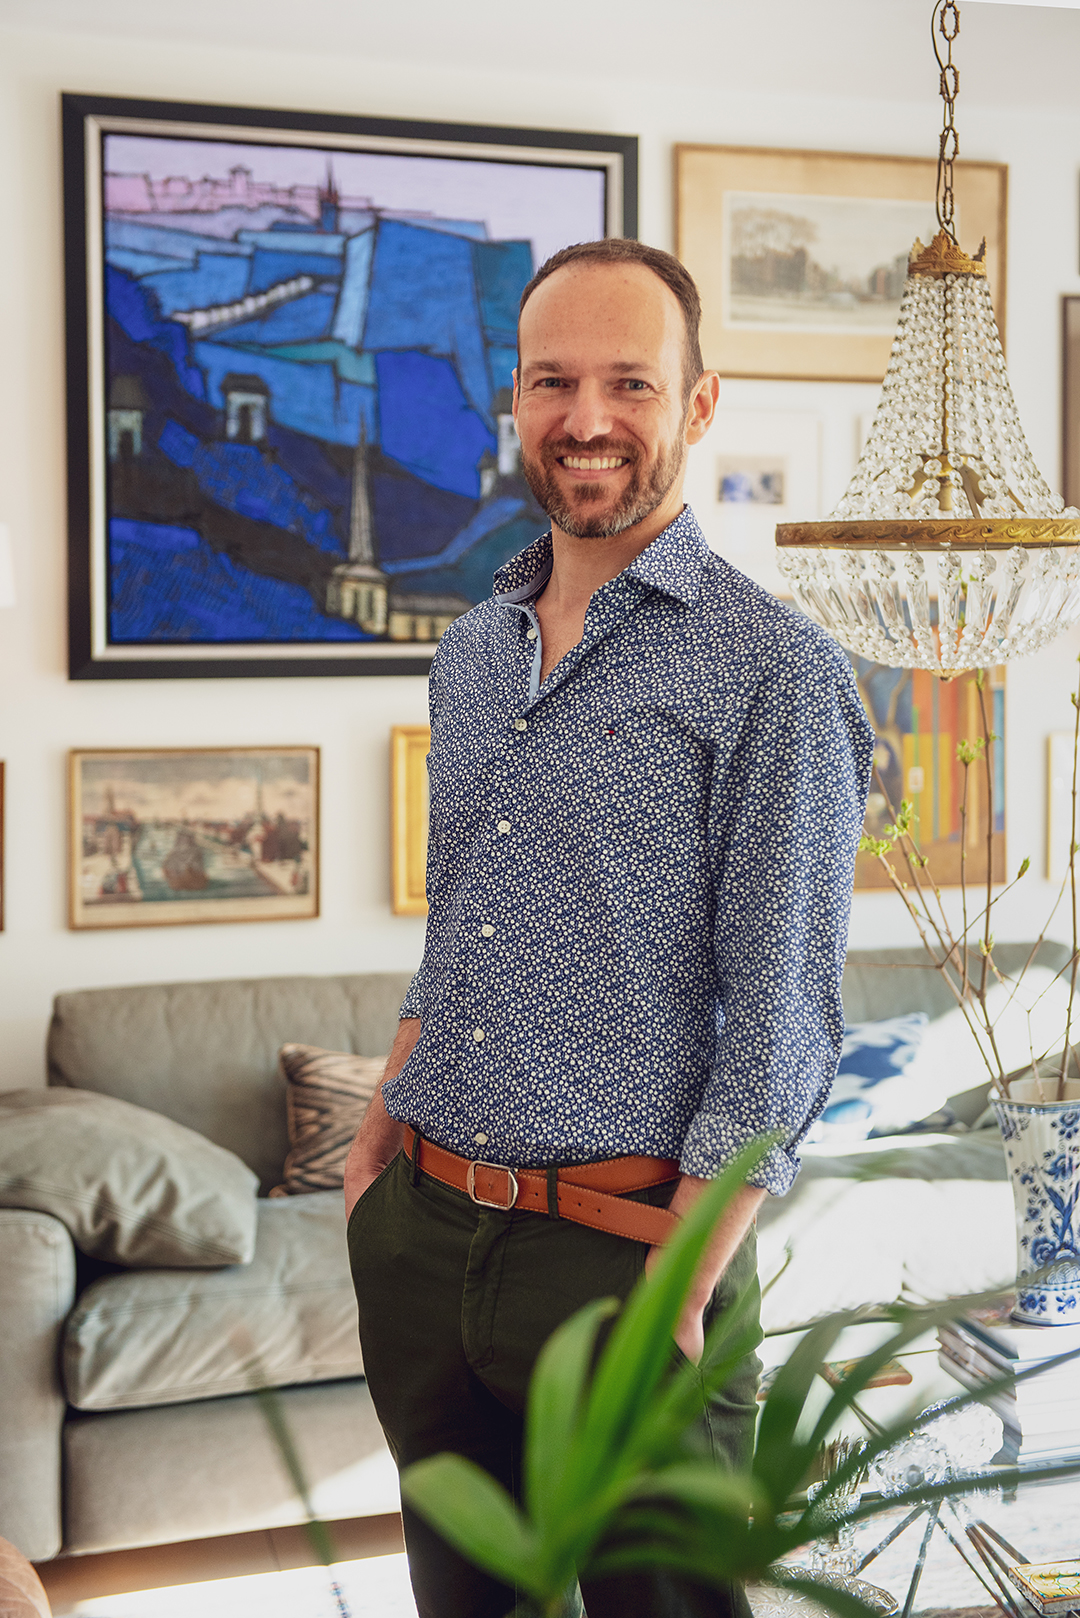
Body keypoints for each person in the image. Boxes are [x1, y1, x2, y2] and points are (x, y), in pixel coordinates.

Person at [344, 238, 875, 1618]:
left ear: (699, 404)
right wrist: (379, 1133)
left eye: (630, 382)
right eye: (553, 381)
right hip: (423, 1231)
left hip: (627, 1256)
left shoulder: (775, 669)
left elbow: (787, 1010)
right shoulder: (470, 648)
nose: (587, 418)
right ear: (513, 401)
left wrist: (686, 1271)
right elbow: (462, 902)